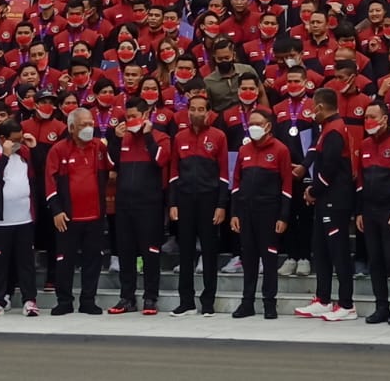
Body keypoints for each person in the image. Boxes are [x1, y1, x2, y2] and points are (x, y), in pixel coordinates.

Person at [295, 87, 357, 321]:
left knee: (338, 251)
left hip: (335, 200)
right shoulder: (326, 128)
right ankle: (323, 299)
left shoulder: (334, 130)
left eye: (313, 106)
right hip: (325, 200)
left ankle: (346, 304)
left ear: (320, 107)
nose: (311, 110)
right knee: (320, 249)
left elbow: (329, 168)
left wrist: (313, 190)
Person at [45, 107, 113, 316]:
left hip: (94, 215)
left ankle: (88, 300)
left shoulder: (99, 148)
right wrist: (56, 210)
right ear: (72, 127)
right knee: (65, 260)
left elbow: (111, 168)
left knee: (93, 260)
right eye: (84, 124)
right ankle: (64, 300)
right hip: (68, 216)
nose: (88, 128)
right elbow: (50, 181)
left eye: (91, 124)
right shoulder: (59, 150)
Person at [168, 90, 229, 316]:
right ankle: (186, 301)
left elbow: (224, 174)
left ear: (208, 113)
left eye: (200, 109)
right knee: (185, 252)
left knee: (209, 251)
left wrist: (221, 205)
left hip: (209, 200)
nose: (196, 113)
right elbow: (173, 173)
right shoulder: (179, 137)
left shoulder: (218, 136)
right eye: (192, 109)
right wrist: (173, 203)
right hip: (184, 200)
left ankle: (208, 301)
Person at [109, 98, 171, 314]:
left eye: (135, 116)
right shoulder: (123, 138)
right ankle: (126, 298)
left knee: (150, 251)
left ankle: (150, 297)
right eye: (128, 117)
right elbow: (112, 164)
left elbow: (160, 160)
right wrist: (115, 140)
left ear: (146, 115)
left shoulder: (161, 137)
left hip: (149, 204)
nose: (131, 120)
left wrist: (146, 135)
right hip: (125, 204)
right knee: (125, 252)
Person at [231, 107, 293, 319]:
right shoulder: (244, 151)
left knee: (268, 259)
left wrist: (283, 216)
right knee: (248, 258)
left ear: (268, 126)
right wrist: (235, 213)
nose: (253, 127)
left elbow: (287, 185)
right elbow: (237, 183)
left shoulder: (280, 150)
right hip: (246, 212)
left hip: (269, 212)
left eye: (257, 124)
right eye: (250, 124)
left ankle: (269, 303)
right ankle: (247, 302)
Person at [356, 101, 390, 325]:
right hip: (369, 210)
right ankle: (382, 307)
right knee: (376, 260)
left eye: (373, 116)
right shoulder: (365, 144)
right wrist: (359, 211)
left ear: (385, 119)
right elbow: (360, 180)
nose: (368, 120)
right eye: (366, 116)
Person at [0, 116, 39, 317]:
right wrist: (3, 156)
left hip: (23, 217)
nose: (19, 143)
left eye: (21, 139)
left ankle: (30, 300)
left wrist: (34, 148)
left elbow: (39, 171)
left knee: (26, 261)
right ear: (3, 138)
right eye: (15, 139)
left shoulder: (23, 152)